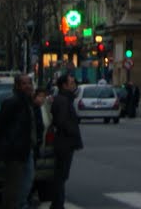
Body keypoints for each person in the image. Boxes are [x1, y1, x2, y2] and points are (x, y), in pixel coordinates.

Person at [0, 74, 35, 209]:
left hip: (24, 148)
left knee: (26, 180)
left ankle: (20, 204)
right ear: (17, 86)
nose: (27, 86)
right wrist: (7, 144)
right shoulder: (13, 102)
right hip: (15, 150)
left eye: (29, 83)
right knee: (14, 183)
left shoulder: (26, 102)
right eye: (24, 84)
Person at [49, 73, 83, 209]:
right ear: (64, 85)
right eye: (71, 83)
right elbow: (62, 121)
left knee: (61, 175)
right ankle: (58, 204)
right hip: (64, 142)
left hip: (64, 142)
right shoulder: (63, 100)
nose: (74, 85)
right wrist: (72, 131)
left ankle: (57, 203)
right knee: (61, 175)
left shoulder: (63, 99)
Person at [21, 86, 47, 209]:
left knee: (30, 174)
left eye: (44, 97)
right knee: (28, 175)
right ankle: (24, 200)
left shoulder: (35, 108)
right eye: (41, 97)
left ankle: (27, 198)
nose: (43, 100)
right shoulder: (32, 108)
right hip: (29, 146)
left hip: (33, 145)